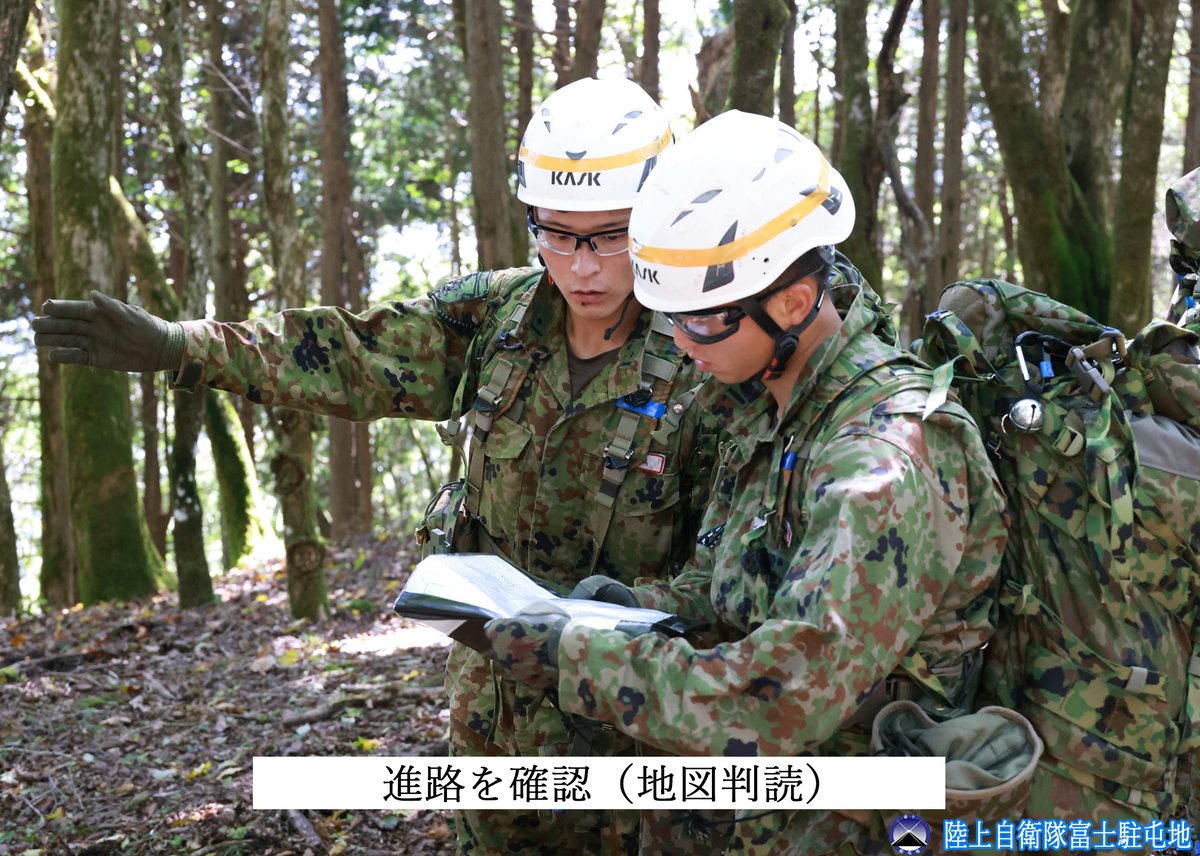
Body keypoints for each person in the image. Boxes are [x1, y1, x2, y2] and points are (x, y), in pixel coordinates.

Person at [32, 77, 720, 855]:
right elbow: (352, 352)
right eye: (557, 234)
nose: (582, 266)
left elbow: (744, 559)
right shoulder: (500, 318)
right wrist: (180, 346)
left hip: (637, 736)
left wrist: (647, 604)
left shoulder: (710, 349)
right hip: (495, 727)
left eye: (610, 236)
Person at [485, 110, 1012, 854]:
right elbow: (736, 588)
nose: (680, 345)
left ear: (793, 303)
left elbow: (775, 704)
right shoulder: (771, 406)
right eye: (670, 320)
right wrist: (631, 609)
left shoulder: (886, 459)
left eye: (700, 324)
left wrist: (572, 655)